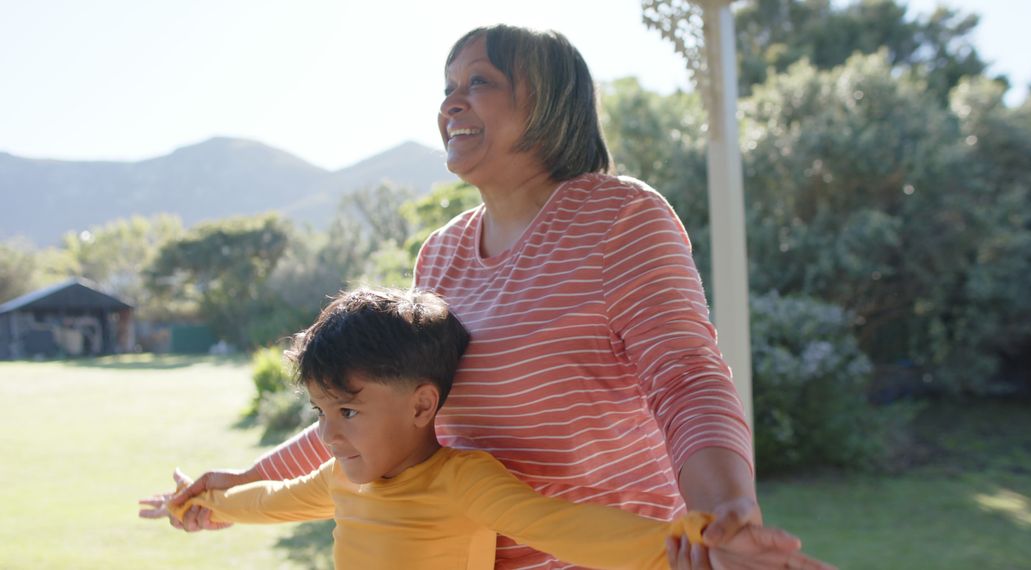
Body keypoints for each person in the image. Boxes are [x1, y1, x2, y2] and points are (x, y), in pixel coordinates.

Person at [155, 25, 832, 570]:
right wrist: (238, 484)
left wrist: (724, 518)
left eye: (479, 82)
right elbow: (380, 404)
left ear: (549, 103)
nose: (451, 102)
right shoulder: (441, 254)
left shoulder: (620, 217)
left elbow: (686, 376)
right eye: (447, 86)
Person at [144, 287, 717, 569]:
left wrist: (700, 543)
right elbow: (269, 501)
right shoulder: (340, 480)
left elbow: (564, 526)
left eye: (347, 412)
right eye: (320, 413)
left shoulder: (462, 481)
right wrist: (208, 499)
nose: (328, 436)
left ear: (422, 406)